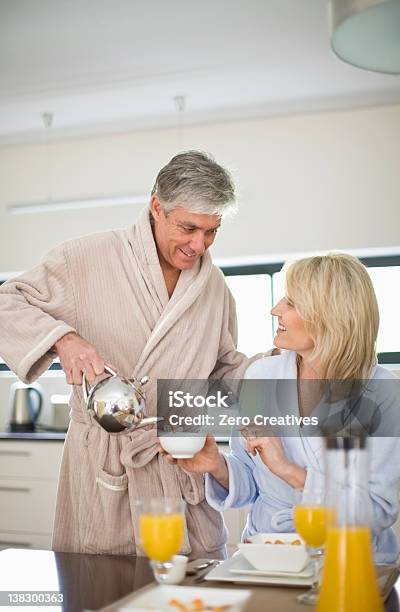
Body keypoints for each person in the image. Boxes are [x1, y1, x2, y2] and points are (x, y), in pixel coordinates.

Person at [0, 151, 252, 559]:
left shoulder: (214, 286)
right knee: (104, 589)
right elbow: (7, 303)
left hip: (178, 467)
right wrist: (62, 338)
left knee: (192, 595)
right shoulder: (84, 259)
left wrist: (285, 376)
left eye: (211, 231)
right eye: (188, 228)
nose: (199, 245)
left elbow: (222, 369)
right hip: (108, 466)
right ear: (157, 207)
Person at [164, 253, 400, 563]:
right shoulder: (262, 375)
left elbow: (378, 511)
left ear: (328, 315)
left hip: (348, 561)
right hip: (269, 554)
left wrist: (289, 471)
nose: (274, 309)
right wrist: (216, 466)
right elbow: (250, 479)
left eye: (290, 303)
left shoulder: (381, 391)